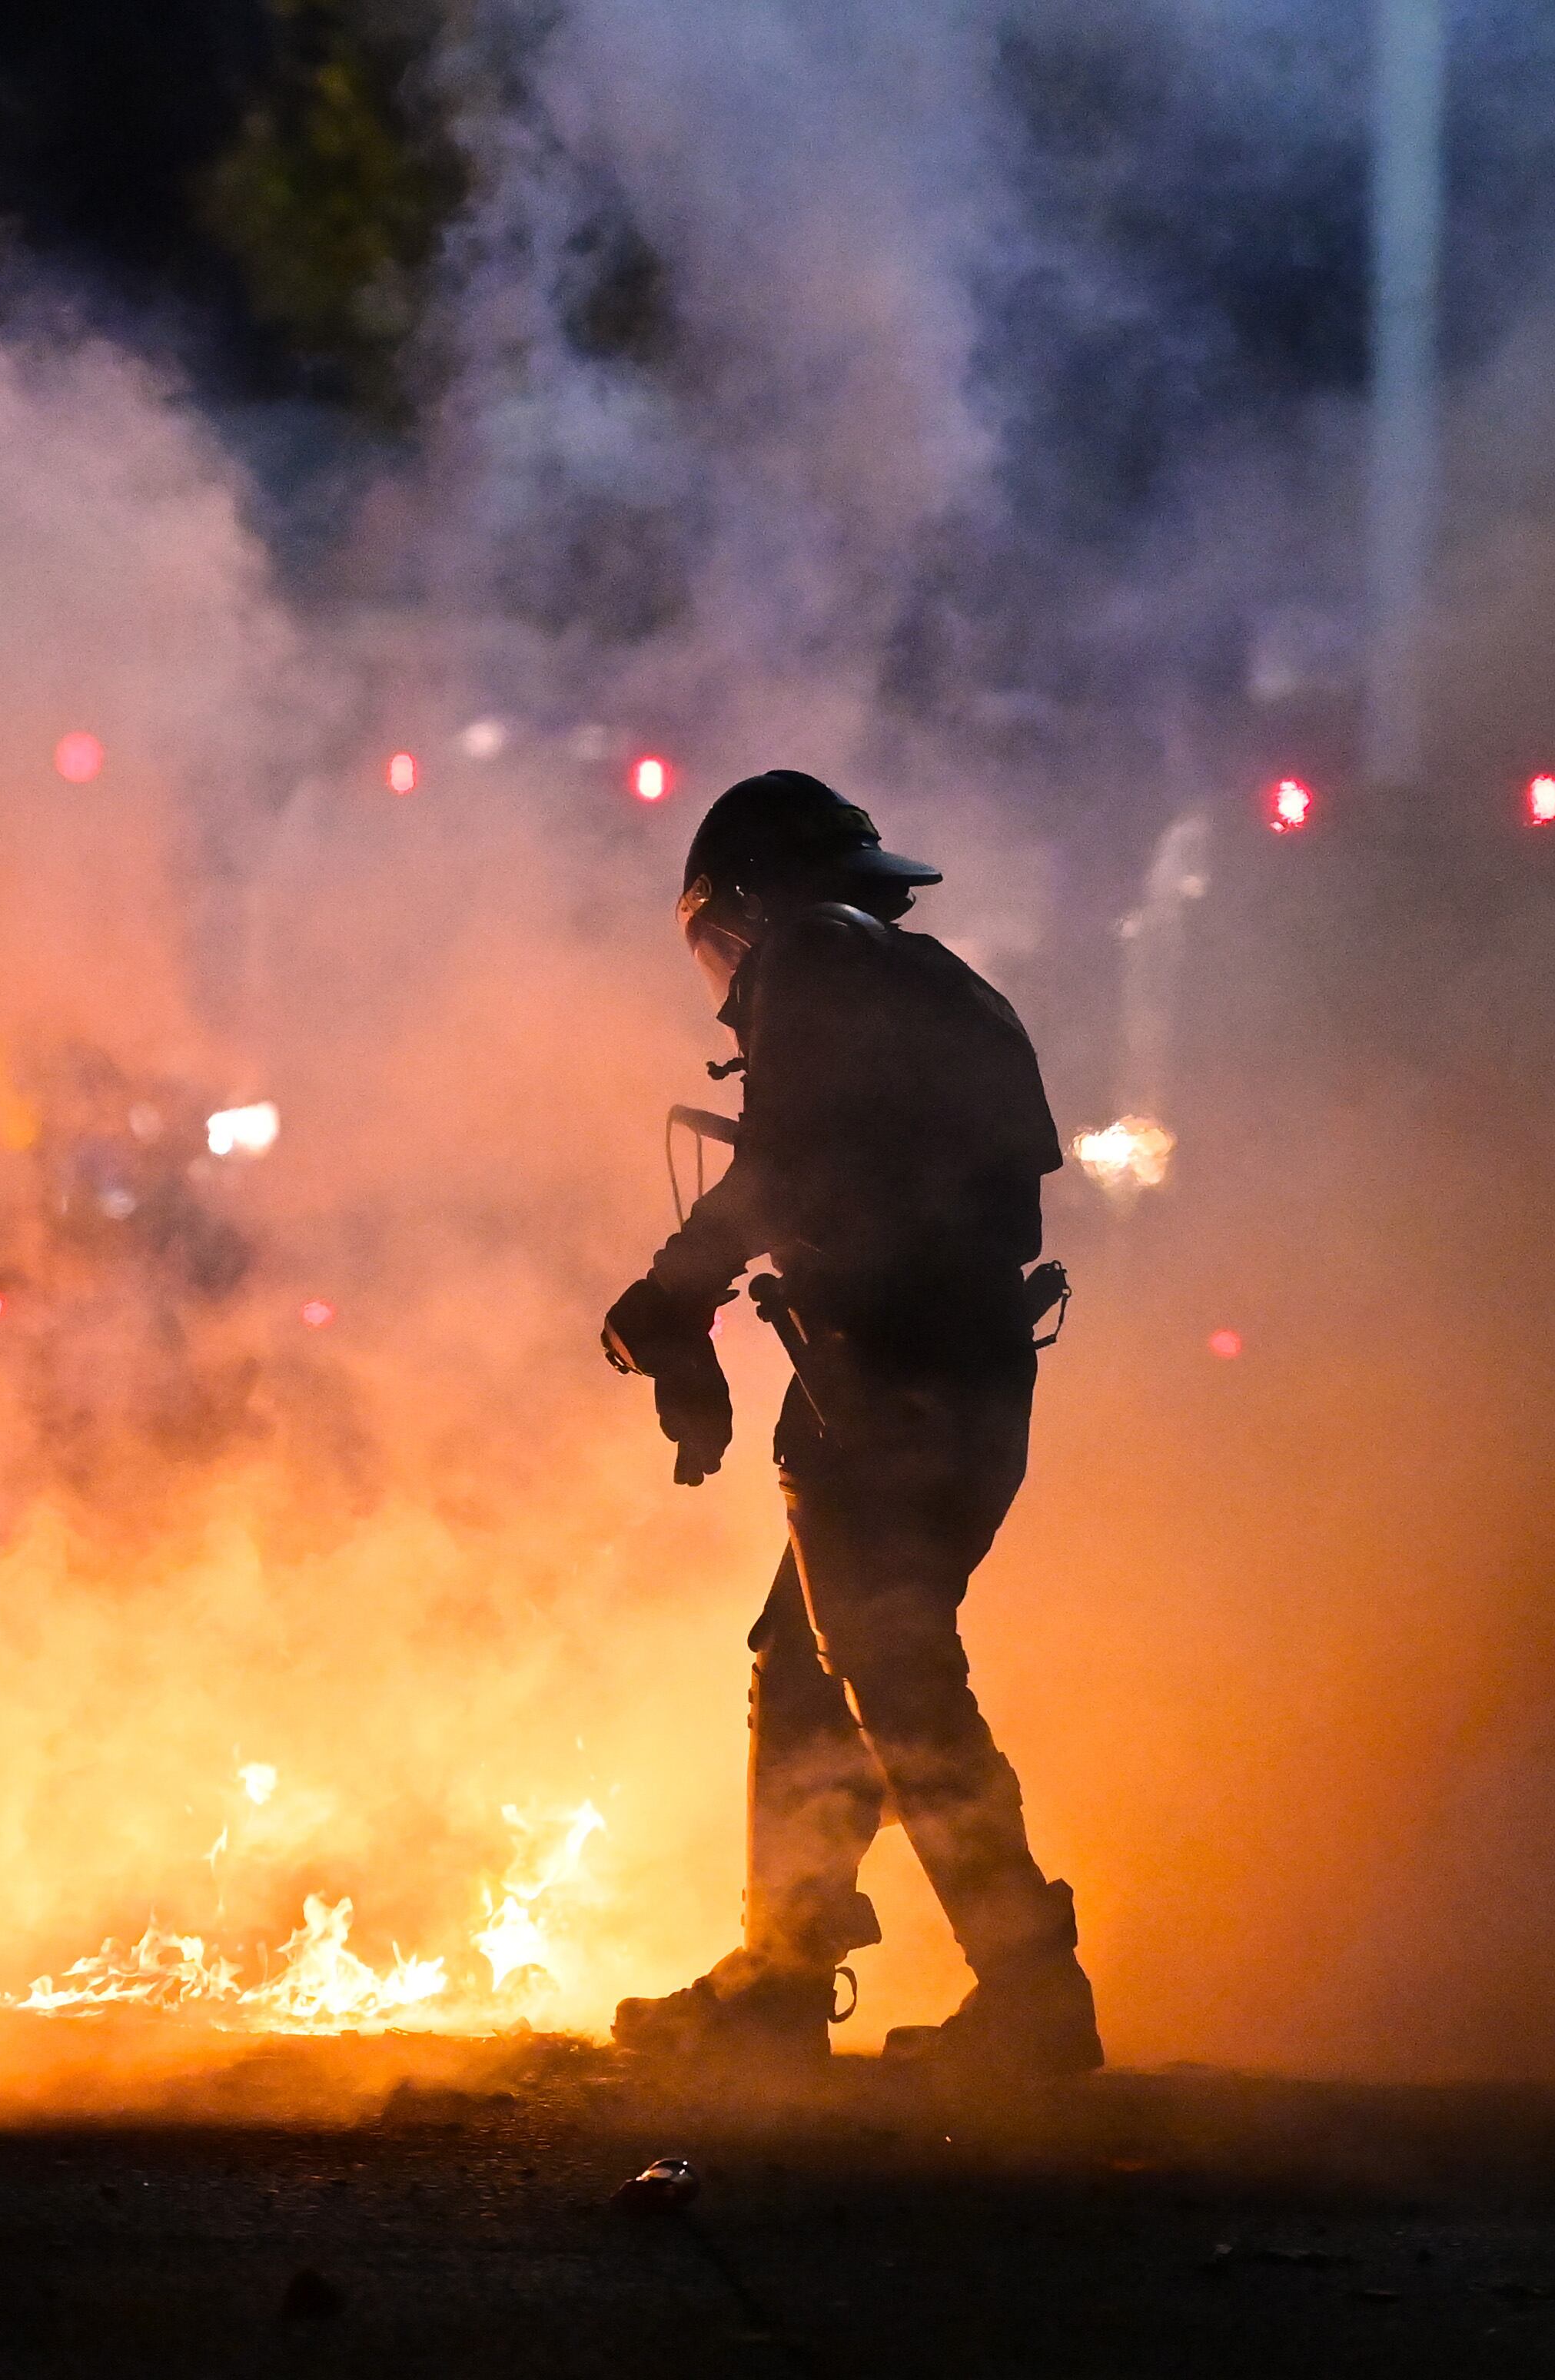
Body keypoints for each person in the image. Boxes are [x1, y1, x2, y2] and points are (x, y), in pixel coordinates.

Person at [600, 770, 1100, 2080]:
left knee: (889, 1669)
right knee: (814, 1658)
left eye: (720, 938)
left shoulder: (814, 954)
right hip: (962, 1385)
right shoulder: (937, 984)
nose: (727, 981)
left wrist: (668, 1303)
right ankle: (783, 1972)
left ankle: (1032, 1989)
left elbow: (785, 1168)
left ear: (751, 907)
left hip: (887, 1389)